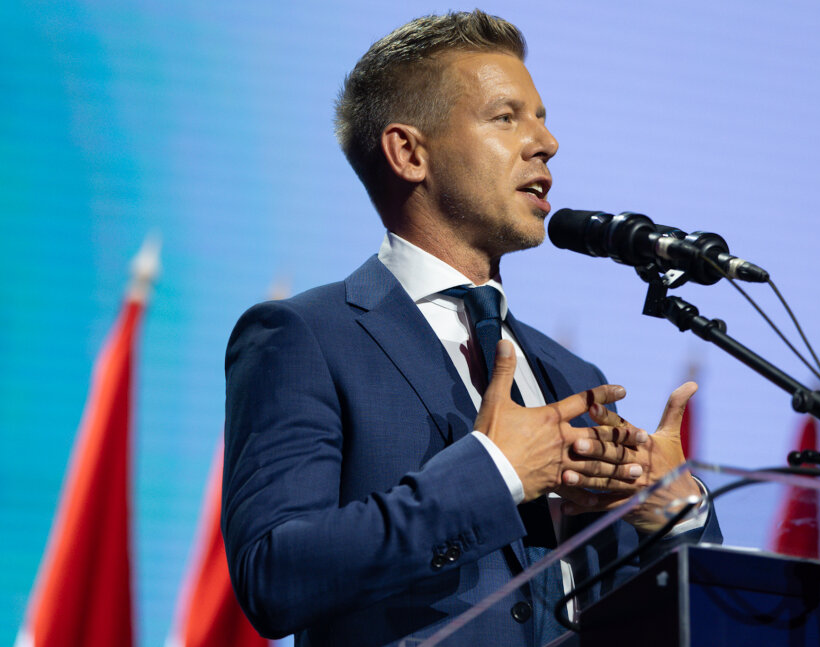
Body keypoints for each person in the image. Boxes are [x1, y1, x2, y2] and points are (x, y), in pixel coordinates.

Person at [223, 10, 718, 647]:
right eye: (506, 117)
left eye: (542, 117)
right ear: (409, 153)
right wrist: (495, 472)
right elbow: (276, 574)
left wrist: (671, 513)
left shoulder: (573, 376)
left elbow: (638, 613)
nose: (547, 142)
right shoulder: (305, 337)